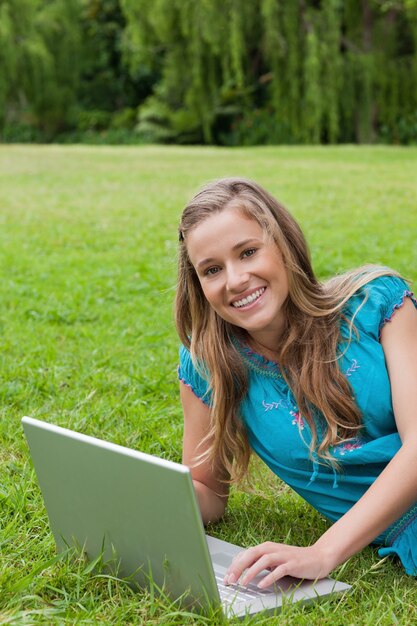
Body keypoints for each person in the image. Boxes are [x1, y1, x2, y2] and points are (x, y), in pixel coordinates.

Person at [175, 177, 417, 589]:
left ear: (284, 245)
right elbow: (207, 490)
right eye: (212, 270)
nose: (234, 280)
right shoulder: (208, 365)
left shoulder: (376, 303)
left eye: (248, 252)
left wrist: (325, 551)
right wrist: (135, 499)